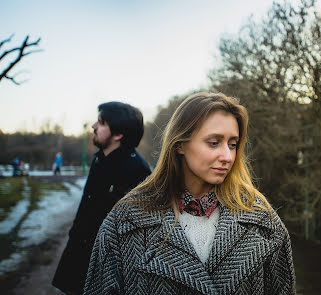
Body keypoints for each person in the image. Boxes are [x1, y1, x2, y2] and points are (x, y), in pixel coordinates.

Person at [83, 92, 296, 295]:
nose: (227, 156)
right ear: (180, 144)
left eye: (233, 144)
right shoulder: (126, 220)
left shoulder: (262, 220)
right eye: (214, 143)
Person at [52, 102, 152, 294]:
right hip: (79, 257)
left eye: (101, 123)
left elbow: (136, 238)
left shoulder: (137, 171)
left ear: (118, 134)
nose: (93, 126)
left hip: (105, 271)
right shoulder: (100, 159)